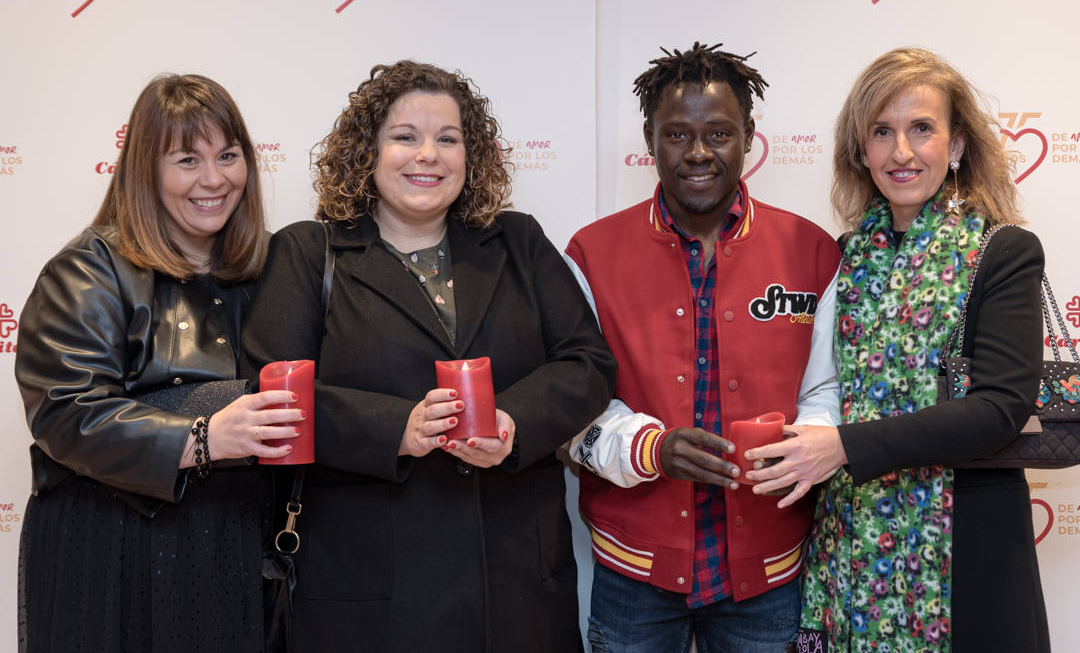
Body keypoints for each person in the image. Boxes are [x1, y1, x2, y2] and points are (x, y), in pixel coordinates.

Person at [239, 59, 617, 653]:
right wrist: (397, 428)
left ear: (473, 155)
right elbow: (270, 404)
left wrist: (512, 421)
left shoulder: (518, 241)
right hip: (368, 589)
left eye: (448, 139)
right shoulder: (310, 253)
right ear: (367, 150)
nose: (428, 155)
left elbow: (586, 363)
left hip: (516, 583)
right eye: (405, 138)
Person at [746, 47, 1051, 652]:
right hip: (849, 551)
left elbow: (1000, 406)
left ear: (957, 145)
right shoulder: (846, 255)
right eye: (881, 132)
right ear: (861, 151)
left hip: (966, 549)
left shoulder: (1004, 251)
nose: (901, 152)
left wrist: (844, 447)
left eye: (922, 129)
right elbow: (823, 386)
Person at [564, 42, 841, 653]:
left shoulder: (814, 251)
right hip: (634, 571)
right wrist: (653, 449)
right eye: (676, 134)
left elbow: (828, 387)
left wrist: (805, 446)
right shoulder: (590, 255)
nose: (697, 153)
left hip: (769, 570)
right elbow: (570, 401)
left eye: (718, 132)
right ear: (649, 138)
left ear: (748, 137)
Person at [15, 74, 306, 653]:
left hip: (230, 548)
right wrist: (201, 438)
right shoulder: (88, 269)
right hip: (111, 549)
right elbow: (64, 413)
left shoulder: (270, 267)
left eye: (228, 155)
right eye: (186, 159)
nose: (214, 179)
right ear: (145, 167)